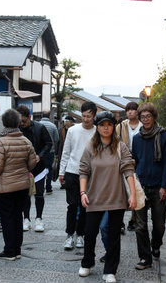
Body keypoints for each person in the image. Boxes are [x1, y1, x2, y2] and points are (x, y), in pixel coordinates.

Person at [78, 111, 136, 283]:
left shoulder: (121, 147)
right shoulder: (91, 147)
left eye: (109, 125)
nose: (105, 128)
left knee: (113, 236)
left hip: (116, 197)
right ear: (97, 127)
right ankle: (87, 262)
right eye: (102, 125)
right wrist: (82, 193)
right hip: (94, 197)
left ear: (113, 127)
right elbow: (83, 171)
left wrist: (132, 194)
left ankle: (110, 270)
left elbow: (128, 170)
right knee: (89, 233)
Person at [0, 109, 37, 261]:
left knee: (7, 217)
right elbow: (32, 163)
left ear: (3, 123)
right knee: (17, 216)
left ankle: (9, 250)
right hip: (22, 185)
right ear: (17, 123)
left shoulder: (1, 142)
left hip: (5, 187)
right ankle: (17, 249)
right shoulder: (26, 141)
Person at [131, 102, 166, 270]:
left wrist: (164, 186)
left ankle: (156, 245)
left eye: (148, 116)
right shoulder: (137, 138)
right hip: (141, 185)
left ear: (154, 117)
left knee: (159, 225)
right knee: (140, 225)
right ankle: (144, 258)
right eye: (142, 117)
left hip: (157, 186)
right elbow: (134, 161)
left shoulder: (165, 136)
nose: (145, 119)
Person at [59, 102, 97, 250]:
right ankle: (69, 235)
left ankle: (80, 234)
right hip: (72, 171)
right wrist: (62, 171)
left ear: (94, 116)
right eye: (83, 116)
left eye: (89, 116)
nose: (86, 119)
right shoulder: (73, 130)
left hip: (90, 173)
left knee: (85, 205)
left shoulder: (97, 131)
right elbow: (66, 152)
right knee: (72, 205)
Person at [16, 105, 52, 232]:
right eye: (19, 121)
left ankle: (39, 218)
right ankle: (26, 218)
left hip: (39, 166)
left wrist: (40, 156)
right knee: (25, 195)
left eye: (24, 121)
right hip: (23, 167)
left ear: (29, 117)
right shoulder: (16, 129)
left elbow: (49, 143)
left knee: (39, 194)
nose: (22, 123)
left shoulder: (40, 127)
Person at [116, 101, 142, 231]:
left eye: (133, 109)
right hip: (123, 160)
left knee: (136, 188)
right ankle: (119, 221)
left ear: (138, 111)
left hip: (139, 161)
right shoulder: (121, 126)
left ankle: (133, 218)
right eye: (128, 110)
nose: (130, 112)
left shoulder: (143, 125)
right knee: (122, 190)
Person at [39, 113, 59, 194]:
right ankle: (48, 187)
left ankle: (40, 187)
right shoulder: (53, 126)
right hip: (50, 151)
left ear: (41, 116)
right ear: (49, 116)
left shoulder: (37, 125)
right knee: (49, 169)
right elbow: (57, 139)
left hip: (40, 152)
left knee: (40, 169)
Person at [56, 116, 75, 189]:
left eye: (68, 121)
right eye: (65, 121)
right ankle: (63, 183)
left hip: (72, 151)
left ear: (71, 122)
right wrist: (56, 153)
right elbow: (58, 141)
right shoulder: (61, 130)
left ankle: (68, 182)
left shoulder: (74, 130)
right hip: (62, 151)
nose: (66, 122)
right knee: (62, 166)